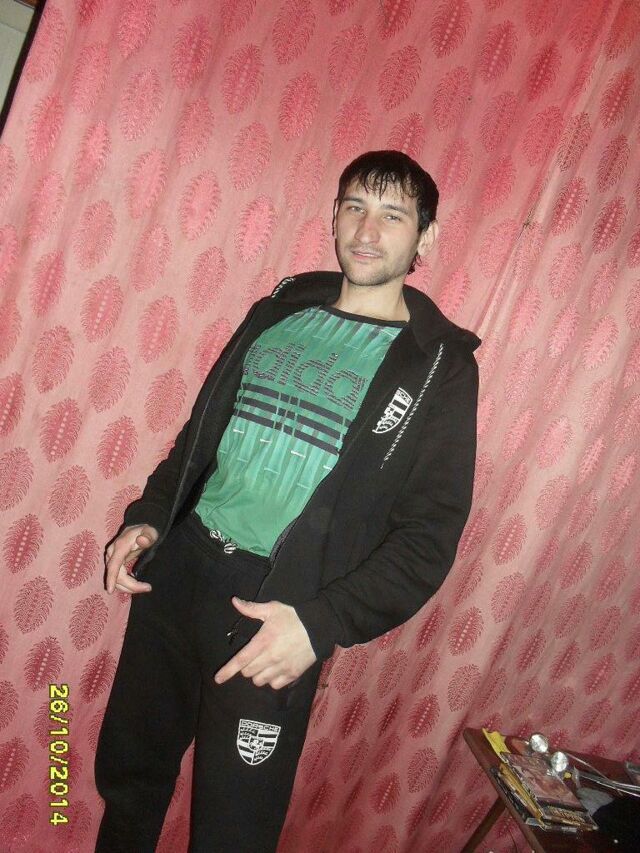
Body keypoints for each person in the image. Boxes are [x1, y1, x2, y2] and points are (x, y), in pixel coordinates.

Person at [94, 150, 480, 852]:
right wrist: (149, 519)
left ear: (426, 236)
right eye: (355, 207)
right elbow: (200, 439)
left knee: (233, 831)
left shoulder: (438, 367)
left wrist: (317, 625)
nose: (367, 230)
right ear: (334, 217)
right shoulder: (277, 311)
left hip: (276, 614)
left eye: (393, 215)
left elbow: (428, 537)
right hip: (178, 574)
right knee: (128, 778)